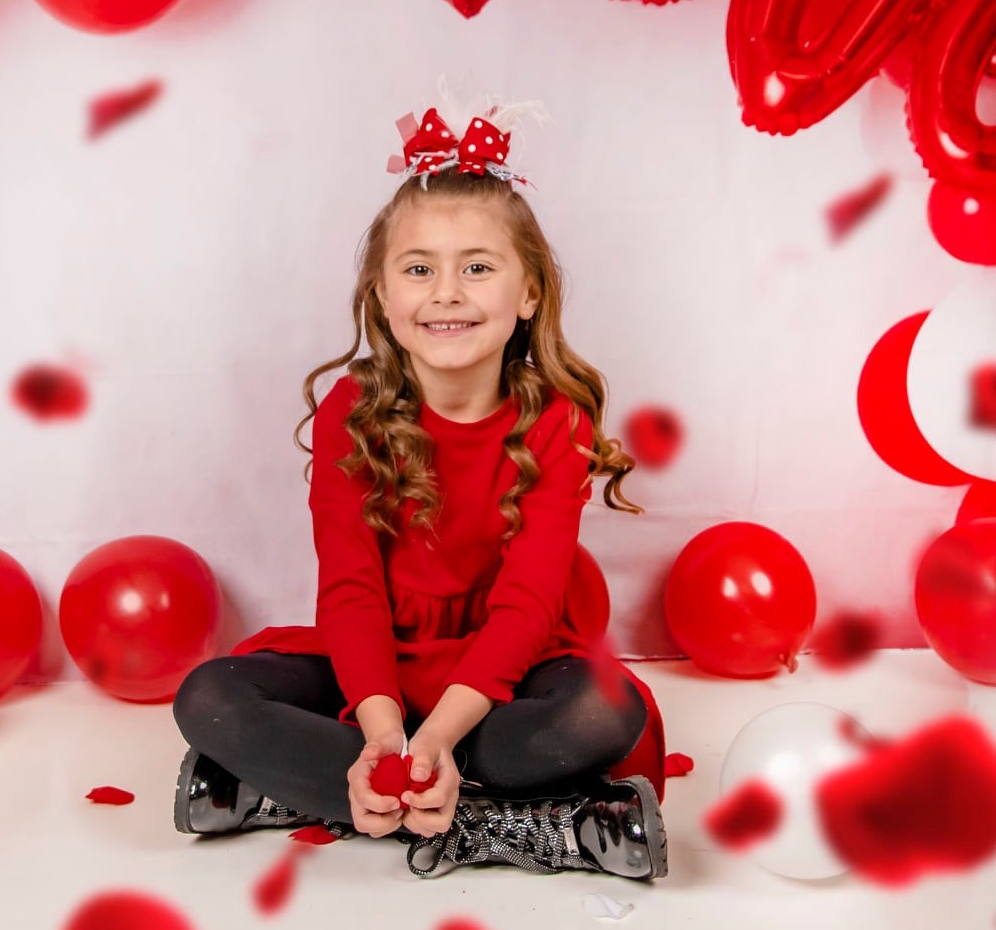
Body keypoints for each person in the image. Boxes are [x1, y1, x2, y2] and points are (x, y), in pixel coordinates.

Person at [171, 89, 668, 881]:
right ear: (382, 296)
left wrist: (433, 739)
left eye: (477, 268)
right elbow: (350, 589)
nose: (446, 292)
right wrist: (378, 732)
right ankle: (531, 823)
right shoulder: (352, 412)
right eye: (417, 270)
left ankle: (308, 795)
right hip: (377, 662)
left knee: (604, 712)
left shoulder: (557, 421)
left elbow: (528, 606)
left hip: (510, 672)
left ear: (527, 292)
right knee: (209, 698)